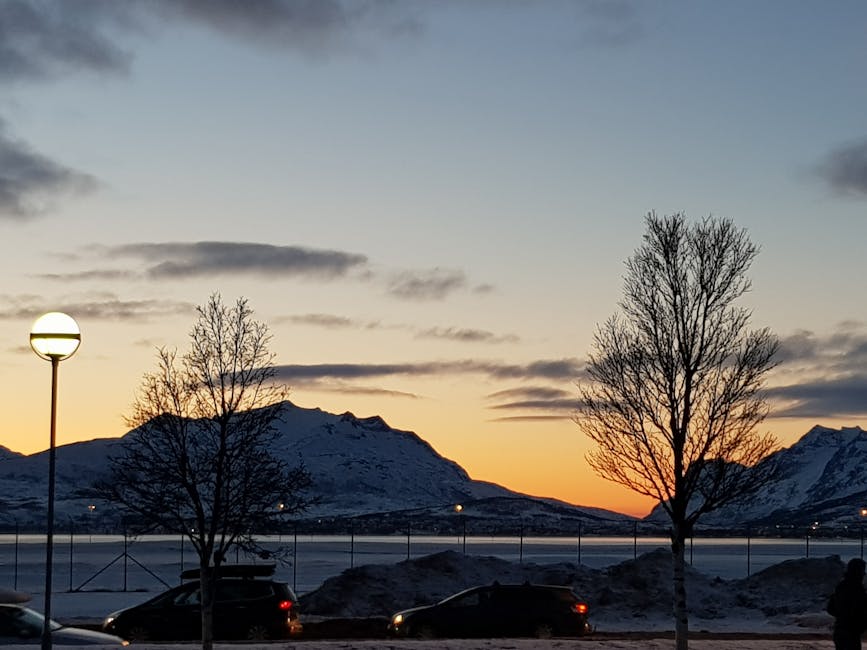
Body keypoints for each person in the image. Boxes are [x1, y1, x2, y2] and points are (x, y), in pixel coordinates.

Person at [829, 558, 867, 650]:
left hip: (842, 630)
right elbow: (861, 610)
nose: (864, 574)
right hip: (850, 632)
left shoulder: (842, 586)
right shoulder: (856, 589)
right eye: (862, 571)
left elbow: (831, 608)